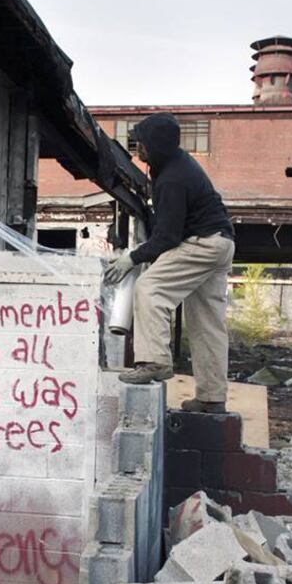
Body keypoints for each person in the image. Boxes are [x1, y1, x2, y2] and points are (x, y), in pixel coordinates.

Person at [104, 112, 236, 413]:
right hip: (221, 242)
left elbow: (168, 238)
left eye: (143, 144)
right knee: (207, 323)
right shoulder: (176, 165)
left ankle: (154, 362)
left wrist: (132, 258)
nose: (138, 149)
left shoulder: (172, 180)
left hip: (202, 243)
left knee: (151, 289)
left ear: (158, 145)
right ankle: (212, 397)